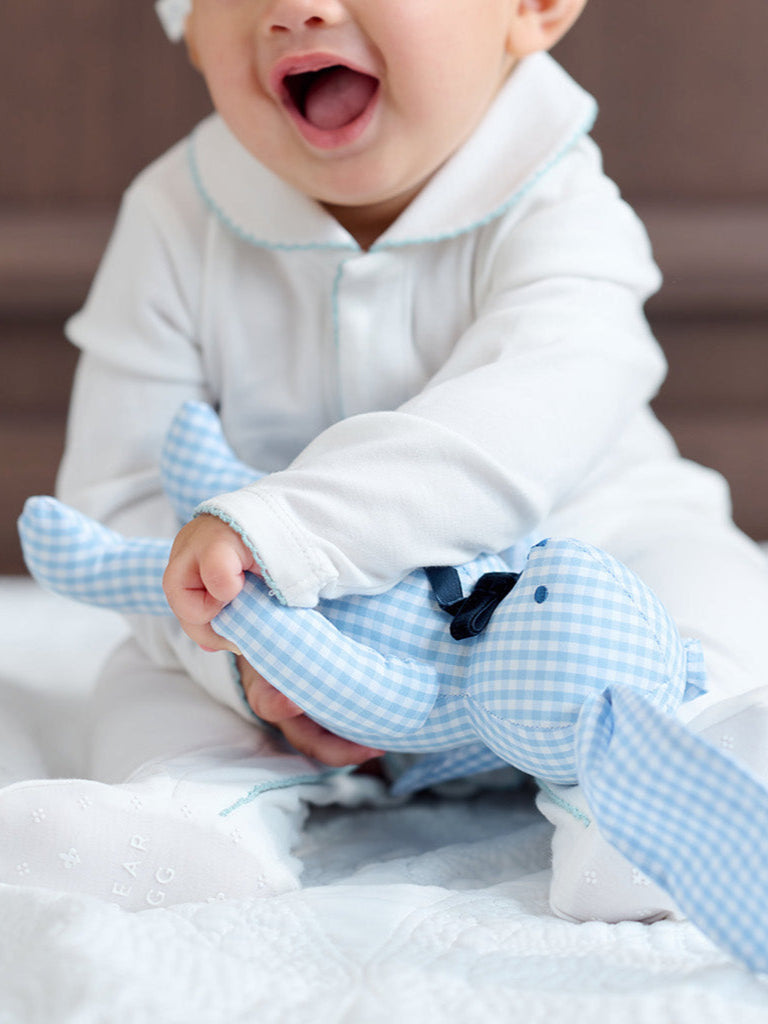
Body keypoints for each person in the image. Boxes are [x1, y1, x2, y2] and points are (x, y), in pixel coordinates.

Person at [5, 0, 768, 919]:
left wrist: (289, 531)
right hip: (304, 637)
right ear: (189, 26)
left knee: (713, 588)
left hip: (571, 594)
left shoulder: (564, 205)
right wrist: (243, 658)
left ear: (532, 7)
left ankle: (659, 788)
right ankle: (194, 816)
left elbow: (514, 430)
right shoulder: (173, 216)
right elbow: (124, 488)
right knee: (147, 676)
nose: (300, 8)